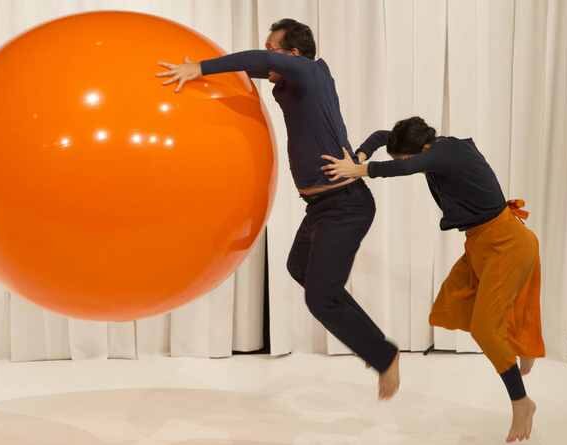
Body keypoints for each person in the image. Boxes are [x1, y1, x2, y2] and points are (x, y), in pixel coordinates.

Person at [156, 18, 400, 400]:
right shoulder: (296, 79)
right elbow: (258, 65)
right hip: (321, 205)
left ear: (294, 55)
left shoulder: (310, 72)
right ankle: (371, 340)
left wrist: (198, 69)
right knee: (299, 267)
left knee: (320, 298)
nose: (266, 55)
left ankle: (383, 355)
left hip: (346, 205)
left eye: (273, 48)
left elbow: (260, 61)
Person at [321, 116, 545, 442]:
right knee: (455, 302)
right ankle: (520, 345)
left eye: (404, 156)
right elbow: (383, 135)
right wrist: (362, 153)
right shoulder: (432, 147)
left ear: (416, 151)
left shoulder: (444, 153)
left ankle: (521, 402)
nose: (406, 160)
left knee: (485, 328)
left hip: (507, 246)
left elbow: (405, 167)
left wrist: (359, 170)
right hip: (482, 245)